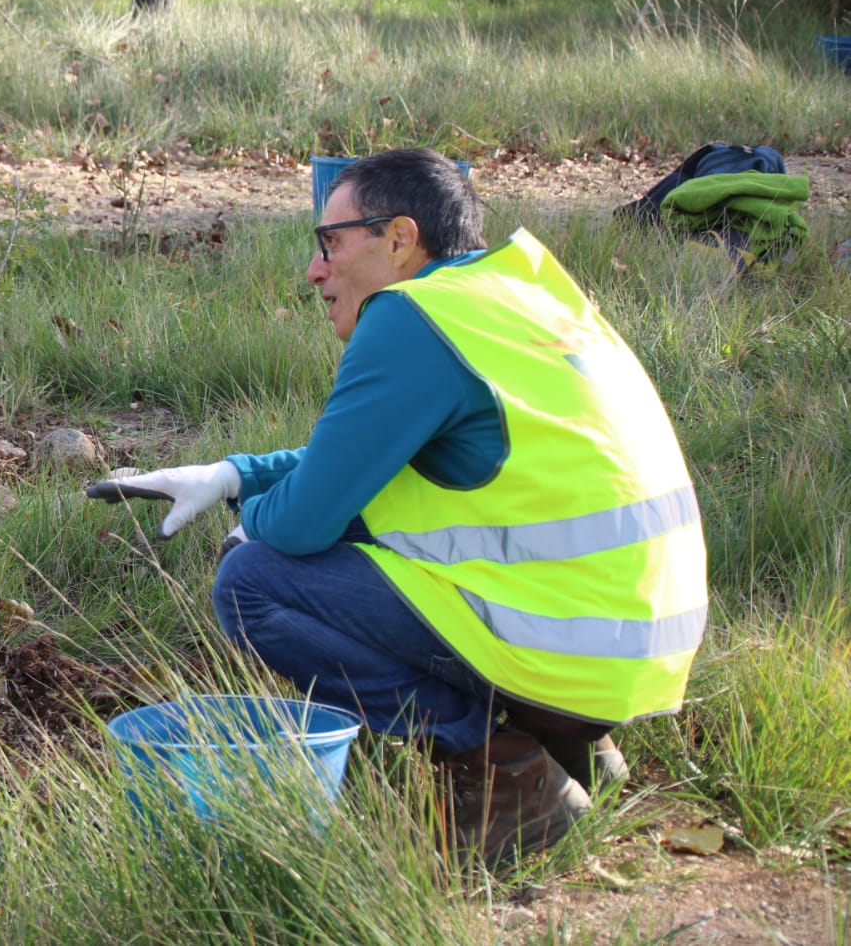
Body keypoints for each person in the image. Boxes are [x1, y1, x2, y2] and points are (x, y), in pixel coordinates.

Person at [90, 148, 708, 864]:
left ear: (399, 238)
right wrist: (233, 475)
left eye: (331, 243)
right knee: (347, 527)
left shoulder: (410, 319)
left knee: (253, 579)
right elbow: (382, 464)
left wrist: (246, 523)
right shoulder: (519, 297)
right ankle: (575, 745)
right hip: (632, 651)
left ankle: (499, 771)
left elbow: (301, 522)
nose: (315, 270)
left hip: (568, 649)